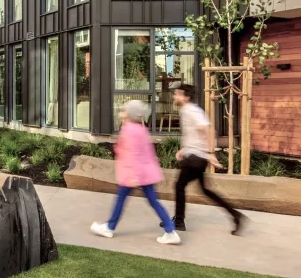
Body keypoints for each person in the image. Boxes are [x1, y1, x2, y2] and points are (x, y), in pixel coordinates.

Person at [91, 100, 181, 245]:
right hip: (146, 173)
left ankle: (109, 227)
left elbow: (133, 155)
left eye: (124, 110)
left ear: (130, 114)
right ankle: (170, 231)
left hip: (133, 174)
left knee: (121, 199)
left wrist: (133, 176)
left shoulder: (129, 130)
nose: (121, 112)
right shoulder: (140, 129)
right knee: (153, 201)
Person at [171, 84, 245, 234]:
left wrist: (211, 153)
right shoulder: (187, 110)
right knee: (204, 190)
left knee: (179, 186)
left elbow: (209, 130)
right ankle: (235, 215)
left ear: (186, 97)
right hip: (195, 155)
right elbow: (196, 134)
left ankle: (179, 221)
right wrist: (184, 150)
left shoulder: (192, 110)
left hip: (196, 158)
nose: (175, 96)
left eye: (178, 94)